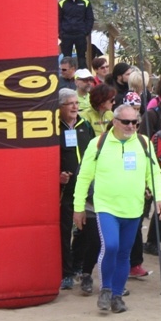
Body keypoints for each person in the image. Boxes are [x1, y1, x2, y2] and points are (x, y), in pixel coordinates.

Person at [72, 103, 161, 314]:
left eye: (135, 122)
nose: (131, 126)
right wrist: (78, 207)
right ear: (114, 122)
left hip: (134, 208)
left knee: (124, 253)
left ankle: (117, 295)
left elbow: (153, 174)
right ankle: (105, 289)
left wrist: (160, 197)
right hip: (106, 207)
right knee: (111, 246)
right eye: (126, 122)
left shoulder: (143, 143)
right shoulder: (98, 143)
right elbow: (84, 177)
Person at [58, 88, 94, 291]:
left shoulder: (84, 125)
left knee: (85, 228)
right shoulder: (54, 128)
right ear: (60, 107)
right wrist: (58, 176)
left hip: (86, 187)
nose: (74, 107)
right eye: (70, 103)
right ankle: (66, 272)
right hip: (66, 188)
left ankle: (79, 264)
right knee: (65, 230)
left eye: (76, 103)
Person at [58, 0, 94, 68]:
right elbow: (58, 19)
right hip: (66, 35)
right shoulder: (62, 3)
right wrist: (61, 33)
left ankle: (83, 75)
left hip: (80, 34)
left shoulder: (85, 2)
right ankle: (66, 75)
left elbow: (90, 19)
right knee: (66, 59)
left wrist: (85, 32)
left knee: (81, 58)